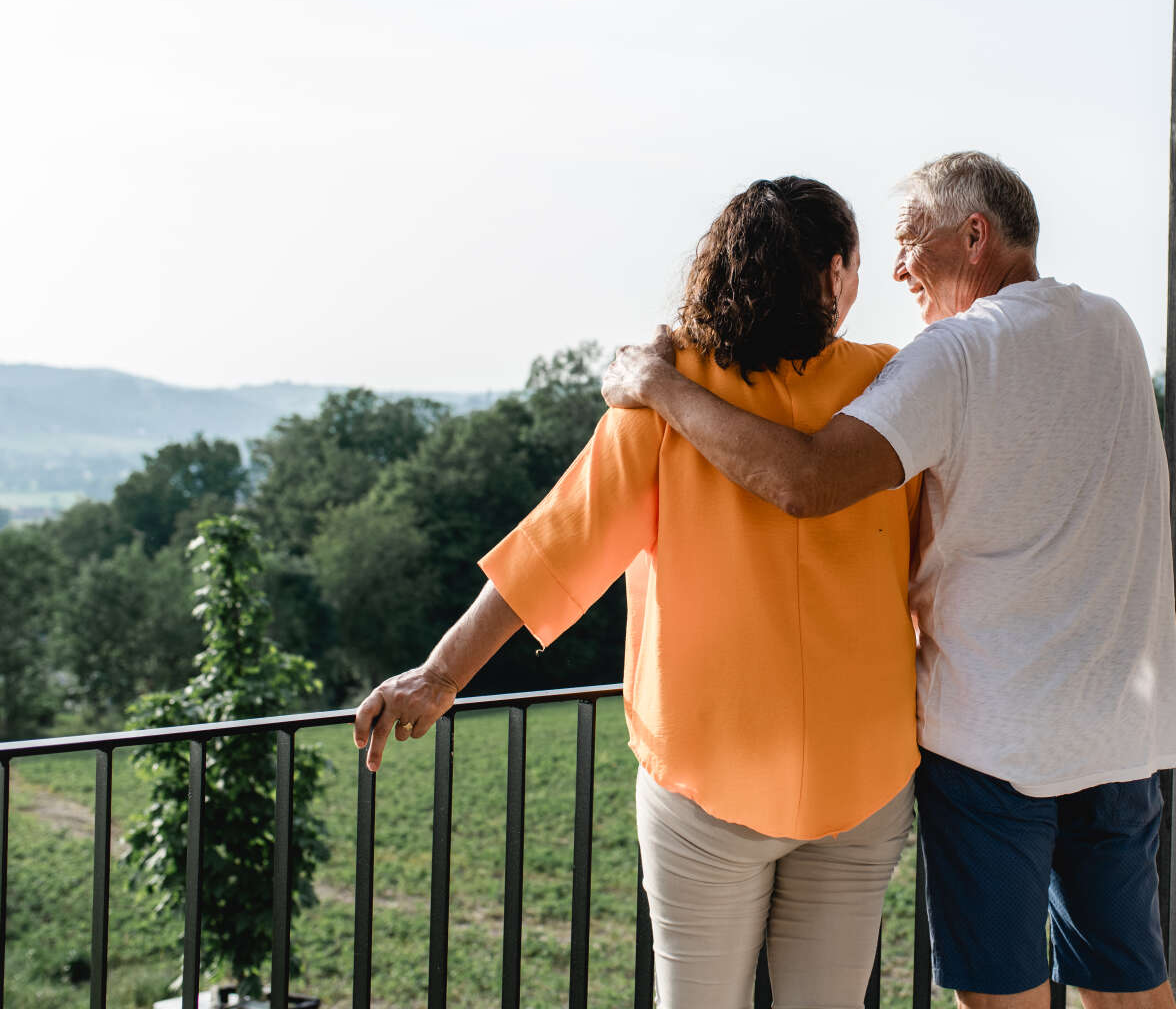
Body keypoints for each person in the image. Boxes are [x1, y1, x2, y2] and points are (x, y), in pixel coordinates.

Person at [602, 152, 1176, 1009]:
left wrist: (659, 384)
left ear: (975, 234)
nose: (896, 268)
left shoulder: (954, 354)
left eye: (910, 241)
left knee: (1002, 996)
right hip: (1119, 734)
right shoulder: (1112, 327)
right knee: (1132, 988)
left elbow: (806, 480)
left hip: (995, 741)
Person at [352, 177, 924, 1009]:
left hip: (707, 774)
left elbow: (557, 547)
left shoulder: (658, 396)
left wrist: (439, 676)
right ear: (837, 275)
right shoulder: (894, 387)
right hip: (862, 774)